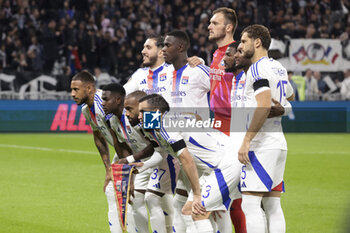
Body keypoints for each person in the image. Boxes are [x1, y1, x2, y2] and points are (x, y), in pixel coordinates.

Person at [138, 94, 242, 233]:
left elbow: (187, 160)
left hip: (225, 163)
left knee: (199, 211)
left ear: (156, 112)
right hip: (214, 167)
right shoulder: (166, 122)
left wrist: (197, 194)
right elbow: (195, 117)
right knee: (191, 210)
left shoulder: (166, 126)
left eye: (142, 112)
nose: (139, 116)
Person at [237, 24, 294, 233]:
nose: (240, 46)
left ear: (257, 42)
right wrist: (283, 107)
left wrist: (246, 140)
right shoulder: (277, 67)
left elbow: (263, 105)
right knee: (272, 205)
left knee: (250, 204)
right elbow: (290, 95)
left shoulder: (257, 68)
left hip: (262, 144)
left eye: (243, 41)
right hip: (278, 143)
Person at [102, 85, 177, 233]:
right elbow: (121, 144)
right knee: (139, 199)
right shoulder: (114, 120)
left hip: (162, 160)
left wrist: (130, 159)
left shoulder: (140, 118)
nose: (102, 103)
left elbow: (156, 146)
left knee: (162, 200)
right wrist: (128, 164)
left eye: (106, 99)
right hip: (143, 163)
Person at [70, 71, 134, 233]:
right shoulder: (87, 109)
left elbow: (119, 137)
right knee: (111, 192)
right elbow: (98, 136)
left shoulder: (104, 105)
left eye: (76, 90)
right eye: (72, 90)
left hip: (135, 150)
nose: (72, 94)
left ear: (89, 88)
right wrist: (108, 169)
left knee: (137, 198)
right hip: (123, 152)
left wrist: (126, 168)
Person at [161, 30, 211, 232]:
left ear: (180, 47)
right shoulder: (164, 75)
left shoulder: (198, 71)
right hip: (178, 151)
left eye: (167, 45)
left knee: (196, 209)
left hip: (199, 150)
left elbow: (225, 86)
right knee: (181, 205)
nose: (163, 49)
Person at [208, 7, 246, 233]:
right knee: (221, 194)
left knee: (237, 195)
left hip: (235, 125)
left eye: (214, 22)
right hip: (217, 124)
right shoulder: (216, 54)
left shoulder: (238, 55)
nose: (209, 26)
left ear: (228, 27)